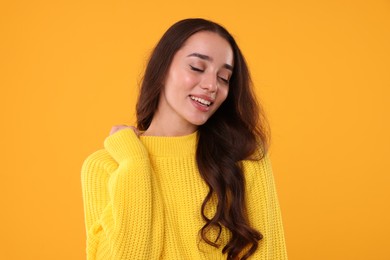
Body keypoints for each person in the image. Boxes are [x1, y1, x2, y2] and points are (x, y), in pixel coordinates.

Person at [81, 18, 287, 260]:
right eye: (197, 68)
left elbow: (268, 253)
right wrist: (135, 163)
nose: (211, 85)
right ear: (161, 70)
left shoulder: (244, 153)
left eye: (224, 78)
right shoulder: (106, 166)